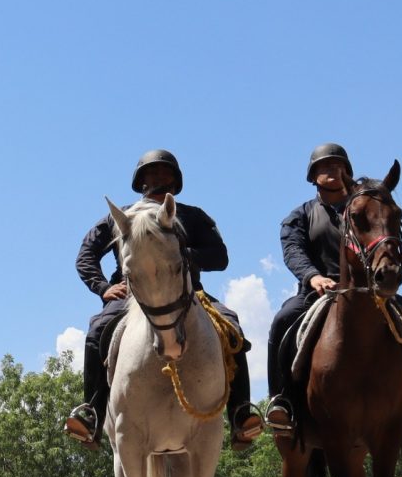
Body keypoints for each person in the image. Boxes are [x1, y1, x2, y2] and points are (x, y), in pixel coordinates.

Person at [62, 149, 262, 451]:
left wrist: (182, 255)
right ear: (141, 181)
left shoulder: (193, 216)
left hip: (190, 294)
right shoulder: (120, 218)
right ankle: (92, 412)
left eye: (165, 173)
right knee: (96, 331)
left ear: (175, 180)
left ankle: (240, 413)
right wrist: (103, 287)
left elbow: (220, 257)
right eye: (152, 174)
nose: (158, 178)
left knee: (232, 326)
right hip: (132, 296)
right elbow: (85, 255)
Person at [265, 142, 402, 442]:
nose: (331, 170)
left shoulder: (367, 206)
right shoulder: (301, 215)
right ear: (312, 176)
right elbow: (293, 251)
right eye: (324, 166)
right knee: (283, 320)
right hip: (319, 290)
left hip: (370, 288)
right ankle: (282, 401)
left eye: (338, 165)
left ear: (348, 172)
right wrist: (313, 277)